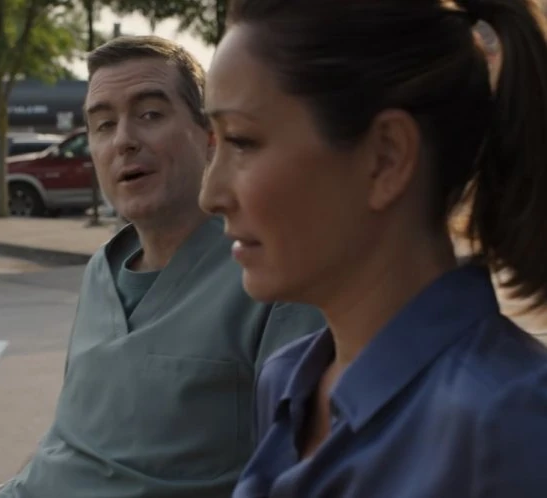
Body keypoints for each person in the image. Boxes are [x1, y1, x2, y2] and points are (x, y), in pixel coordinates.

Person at [199, 0, 547, 496]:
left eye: (241, 141)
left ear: (386, 157)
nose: (210, 195)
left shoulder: (512, 425)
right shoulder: (285, 381)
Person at [0, 35, 324, 498]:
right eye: (103, 125)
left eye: (149, 115)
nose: (124, 140)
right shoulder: (100, 273)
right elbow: (70, 440)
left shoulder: (271, 277)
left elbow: (300, 472)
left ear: (210, 137)